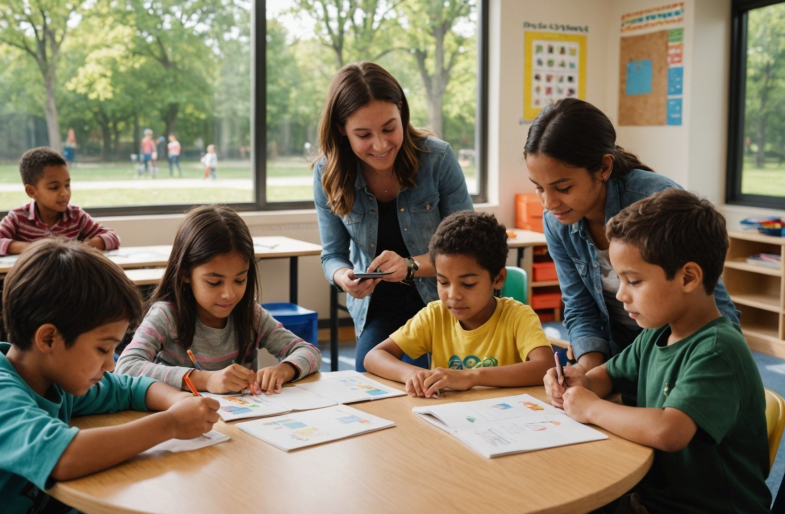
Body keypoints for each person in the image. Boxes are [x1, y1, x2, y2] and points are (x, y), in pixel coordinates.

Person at [0, 239, 220, 514]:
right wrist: (171, 423)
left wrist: (177, 400)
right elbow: (65, 458)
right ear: (49, 339)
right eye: (103, 349)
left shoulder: (51, 377)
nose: (111, 364)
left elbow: (126, 388)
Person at [544, 189, 771, 514]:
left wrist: (591, 409)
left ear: (688, 277)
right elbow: (605, 376)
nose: (621, 295)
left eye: (633, 281)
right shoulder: (656, 334)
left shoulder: (718, 349)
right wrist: (577, 381)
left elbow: (669, 431)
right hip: (654, 498)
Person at [524, 98, 739, 377]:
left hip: (679, 350)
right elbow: (580, 306)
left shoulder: (657, 204)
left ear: (604, 168)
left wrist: (718, 358)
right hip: (623, 354)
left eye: (563, 187)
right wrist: (586, 370)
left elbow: (710, 302)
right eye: (539, 188)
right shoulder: (557, 222)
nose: (549, 203)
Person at [313, 61, 473, 372]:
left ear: (402, 112)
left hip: (443, 302)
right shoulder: (327, 173)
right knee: (369, 379)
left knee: (427, 384)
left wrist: (411, 266)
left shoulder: (437, 160)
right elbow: (332, 255)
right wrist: (343, 277)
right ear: (341, 131)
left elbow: (468, 249)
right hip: (379, 307)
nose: (381, 144)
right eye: (363, 134)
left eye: (389, 128)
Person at [116, 205, 322, 394]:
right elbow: (126, 366)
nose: (229, 294)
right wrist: (205, 380)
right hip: (186, 425)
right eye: (214, 282)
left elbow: (309, 351)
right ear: (185, 273)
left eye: (240, 280)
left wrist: (284, 370)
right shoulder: (167, 316)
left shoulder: (251, 315)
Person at [364, 211, 553, 396]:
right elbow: (374, 356)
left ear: (498, 279)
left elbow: (546, 366)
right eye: (443, 282)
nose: (453, 295)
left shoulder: (517, 317)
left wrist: (471, 376)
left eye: (468, 284)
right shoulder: (435, 315)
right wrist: (411, 374)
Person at [0, 147, 120, 356]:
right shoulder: (18, 217)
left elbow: (112, 237)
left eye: (67, 185)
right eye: (54, 187)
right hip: (20, 289)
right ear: (31, 191)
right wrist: (27, 248)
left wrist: (82, 247)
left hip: (59, 291)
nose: (64, 193)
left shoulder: (75, 215)